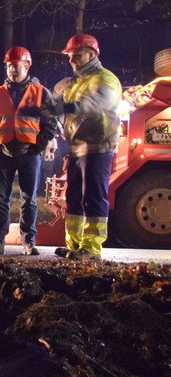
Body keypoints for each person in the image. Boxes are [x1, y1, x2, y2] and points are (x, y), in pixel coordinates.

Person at [0, 46, 59, 256]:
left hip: (30, 154)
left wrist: (38, 146)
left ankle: (29, 242)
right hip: (3, 153)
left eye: (16, 66)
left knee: (29, 199)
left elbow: (50, 122)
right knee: (1, 198)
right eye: (9, 66)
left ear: (27, 66)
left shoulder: (41, 93)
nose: (12, 70)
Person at [52, 33, 122, 260]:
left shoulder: (105, 79)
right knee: (74, 198)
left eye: (76, 55)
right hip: (77, 148)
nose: (72, 60)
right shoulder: (75, 83)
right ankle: (74, 245)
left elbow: (91, 104)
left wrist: (64, 108)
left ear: (92, 54)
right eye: (70, 56)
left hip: (98, 146)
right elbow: (61, 109)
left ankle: (91, 249)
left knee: (93, 196)